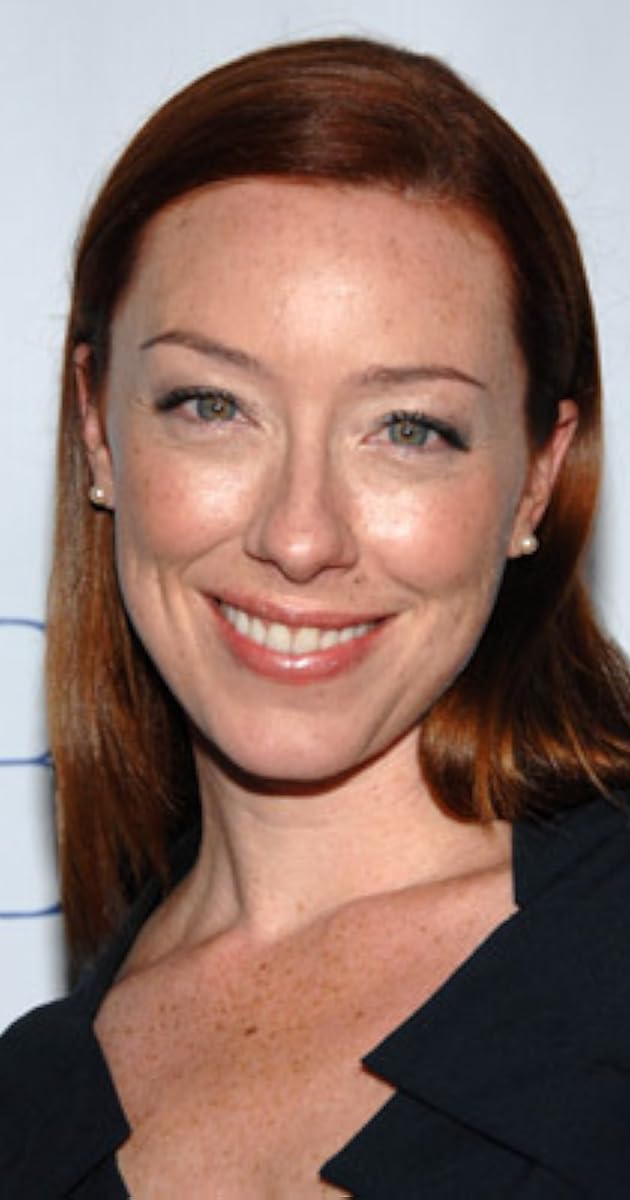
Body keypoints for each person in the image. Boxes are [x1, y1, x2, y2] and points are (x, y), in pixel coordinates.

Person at [3, 34, 630, 1199]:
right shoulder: (29, 1108)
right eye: (213, 405)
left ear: (536, 481)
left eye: (408, 429)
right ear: (97, 430)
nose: (300, 536)